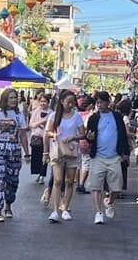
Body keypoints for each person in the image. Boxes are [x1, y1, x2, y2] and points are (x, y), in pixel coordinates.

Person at [0, 88, 31, 222]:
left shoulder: (19, 114)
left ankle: (8, 205)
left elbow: (22, 135)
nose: (14, 100)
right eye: (11, 98)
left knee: (12, 181)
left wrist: (27, 153)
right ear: (5, 99)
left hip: (14, 150)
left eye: (15, 98)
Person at [85, 91, 130, 224]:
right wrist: (89, 138)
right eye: (97, 102)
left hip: (114, 156)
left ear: (107, 102)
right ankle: (98, 212)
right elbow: (89, 137)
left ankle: (109, 202)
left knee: (117, 186)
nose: (99, 105)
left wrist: (125, 153)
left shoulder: (117, 117)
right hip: (98, 156)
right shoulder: (93, 118)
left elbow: (122, 136)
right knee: (96, 186)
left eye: (101, 102)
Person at [43, 90, 86, 222]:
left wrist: (74, 137)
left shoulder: (77, 116)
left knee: (69, 181)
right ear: (62, 102)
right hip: (57, 151)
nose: (71, 105)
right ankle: (55, 210)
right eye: (68, 102)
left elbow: (83, 134)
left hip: (72, 151)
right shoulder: (54, 116)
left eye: (73, 102)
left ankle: (65, 207)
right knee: (57, 180)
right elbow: (47, 132)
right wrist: (53, 136)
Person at [28, 94, 51, 184]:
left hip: (46, 138)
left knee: (44, 157)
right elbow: (31, 124)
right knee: (36, 157)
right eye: (41, 101)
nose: (43, 103)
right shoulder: (36, 112)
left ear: (48, 103)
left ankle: (42, 175)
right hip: (36, 137)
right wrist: (40, 123)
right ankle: (38, 173)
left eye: (44, 101)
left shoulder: (51, 113)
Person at [75, 96, 96, 195]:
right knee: (86, 162)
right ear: (91, 105)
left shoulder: (78, 114)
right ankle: (81, 184)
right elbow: (88, 127)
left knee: (78, 162)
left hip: (76, 140)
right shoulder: (91, 115)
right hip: (85, 141)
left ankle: (76, 181)